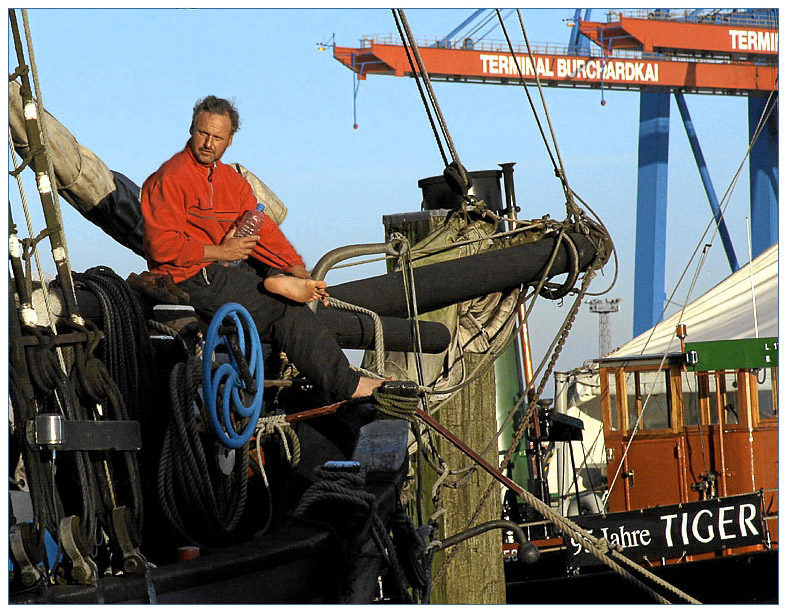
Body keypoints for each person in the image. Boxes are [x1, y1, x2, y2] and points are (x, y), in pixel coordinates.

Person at [141, 95, 383, 400]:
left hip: (225, 268)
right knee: (282, 310)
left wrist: (297, 268)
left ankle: (281, 279)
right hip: (190, 276)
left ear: (229, 141)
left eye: (217, 137)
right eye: (203, 133)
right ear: (191, 130)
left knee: (276, 267)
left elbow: (263, 228)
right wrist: (220, 252)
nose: (208, 143)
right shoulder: (170, 178)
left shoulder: (231, 180)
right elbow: (162, 247)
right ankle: (347, 384)